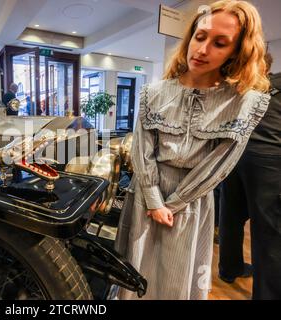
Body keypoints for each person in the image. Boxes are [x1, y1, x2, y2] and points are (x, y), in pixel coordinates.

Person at [114, 0, 271, 300]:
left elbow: (220, 163)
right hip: (147, 194)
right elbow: (142, 150)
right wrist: (153, 200)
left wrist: (172, 204)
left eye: (219, 43)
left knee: (176, 280)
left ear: (236, 51)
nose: (202, 50)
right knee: (134, 275)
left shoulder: (240, 103)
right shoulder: (154, 93)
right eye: (200, 37)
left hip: (191, 202)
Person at [219, 61, 281, 299]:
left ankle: (229, 268)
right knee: (270, 232)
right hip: (269, 160)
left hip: (237, 153)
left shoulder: (251, 87)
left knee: (231, 216)